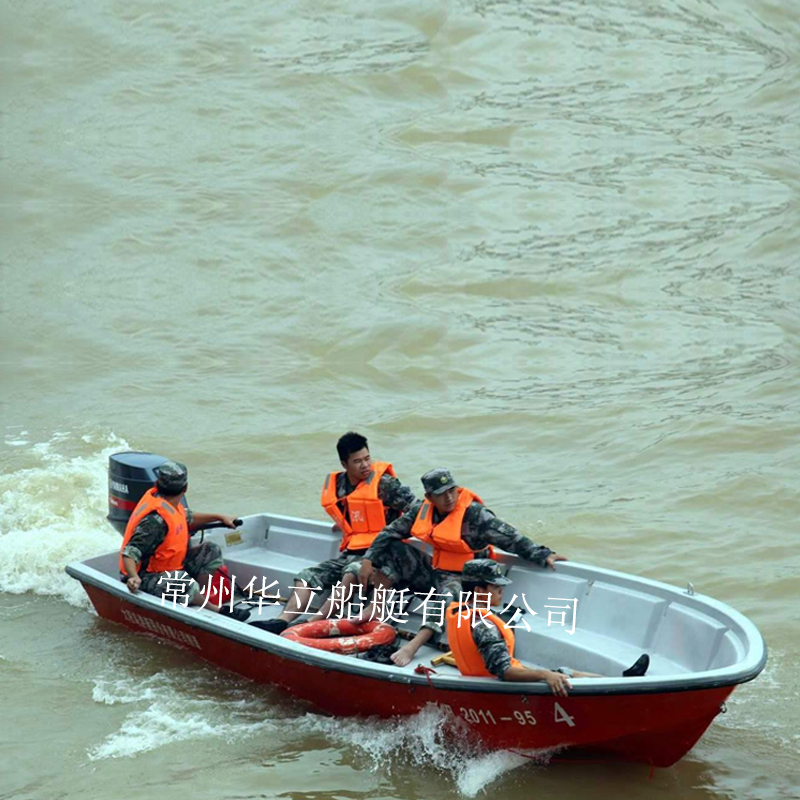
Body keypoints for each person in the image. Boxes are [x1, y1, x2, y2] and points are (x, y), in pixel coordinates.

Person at [357, 468, 568, 667]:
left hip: (465, 581)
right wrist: (368, 560)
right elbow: (388, 533)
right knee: (392, 547)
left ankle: (413, 646)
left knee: (448, 593)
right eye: (442, 494)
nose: (449, 498)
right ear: (430, 498)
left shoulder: (475, 515)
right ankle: (376, 606)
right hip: (436, 572)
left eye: (452, 491)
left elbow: (511, 537)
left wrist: (543, 554)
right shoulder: (422, 511)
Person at [253, 432, 415, 634]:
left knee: (352, 570)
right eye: (357, 461)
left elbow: (417, 510)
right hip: (352, 551)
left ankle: (310, 624)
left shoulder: (386, 485)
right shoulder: (338, 485)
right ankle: (282, 620)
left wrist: (395, 530)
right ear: (344, 464)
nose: (365, 465)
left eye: (367, 458)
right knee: (308, 575)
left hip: (381, 555)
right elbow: (355, 511)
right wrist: (346, 523)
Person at [445, 559, 650, 695]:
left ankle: (621, 682)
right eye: (496, 586)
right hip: (505, 689)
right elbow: (505, 672)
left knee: (570, 672)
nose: (502, 590)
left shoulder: (459, 611)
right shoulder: (484, 625)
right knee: (561, 676)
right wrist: (545, 675)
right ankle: (622, 690)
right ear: (479, 590)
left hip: (487, 682)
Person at [119, 461, 250, 621]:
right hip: (147, 576)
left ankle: (198, 596)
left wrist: (220, 517)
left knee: (211, 549)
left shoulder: (171, 505)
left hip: (172, 566)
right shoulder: (155, 521)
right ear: (185, 488)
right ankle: (215, 610)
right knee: (182, 582)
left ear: (157, 485)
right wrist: (133, 577)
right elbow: (130, 552)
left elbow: (190, 517)